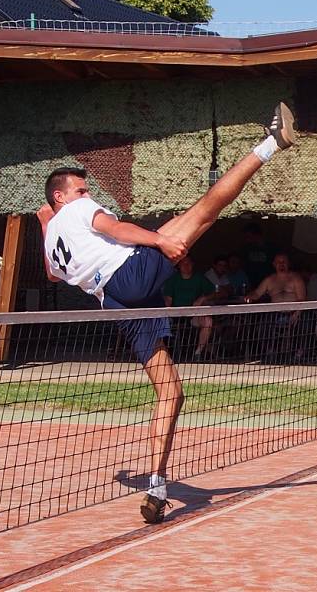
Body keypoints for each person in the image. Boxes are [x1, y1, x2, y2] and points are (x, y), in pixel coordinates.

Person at [37, 102, 297, 523]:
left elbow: (52, 275)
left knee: (170, 391)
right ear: (61, 196)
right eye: (80, 190)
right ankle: (271, 143)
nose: (87, 195)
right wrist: (159, 243)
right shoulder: (79, 210)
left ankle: (156, 486)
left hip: (118, 305)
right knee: (202, 213)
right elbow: (118, 230)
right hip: (129, 277)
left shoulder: (51, 240)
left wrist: (44, 223)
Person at [245, 252, 306, 361]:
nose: (281, 264)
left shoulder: (296, 278)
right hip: (274, 314)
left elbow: (302, 299)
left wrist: (297, 314)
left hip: (293, 312)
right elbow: (257, 293)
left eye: (284, 262)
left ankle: (296, 353)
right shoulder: (269, 280)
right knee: (261, 326)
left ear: (288, 264)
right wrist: (250, 297)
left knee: (303, 325)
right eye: (278, 262)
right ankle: (269, 352)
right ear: (274, 264)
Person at [164, 256, 219, 360]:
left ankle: (197, 353)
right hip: (177, 316)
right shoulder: (172, 280)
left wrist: (203, 298)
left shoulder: (199, 278)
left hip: (194, 315)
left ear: (193, 265)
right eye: (183, 263)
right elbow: (168, 301)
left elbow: (217, 293)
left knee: (208, 321)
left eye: (189, 263)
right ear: (179, 265)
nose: (186, 265)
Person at [240, 223, 277, 289]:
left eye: (249, 237)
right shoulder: (247, 248)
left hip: (267, 283)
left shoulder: (271, 248)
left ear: (257, 235)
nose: (247, 239)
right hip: (251, 283)